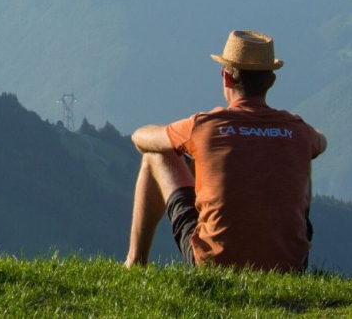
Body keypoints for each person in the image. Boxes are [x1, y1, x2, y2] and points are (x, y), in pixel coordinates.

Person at [124, 30, 327, 271]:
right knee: (302, 157)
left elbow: (140, 138)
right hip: (289, 265)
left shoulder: (205, 126)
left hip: (214, 261)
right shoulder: (299, 131)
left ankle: (135, 263)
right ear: (271, 81)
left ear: (226, 78)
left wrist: (195, 155)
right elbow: (321, 141)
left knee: (154, 157)